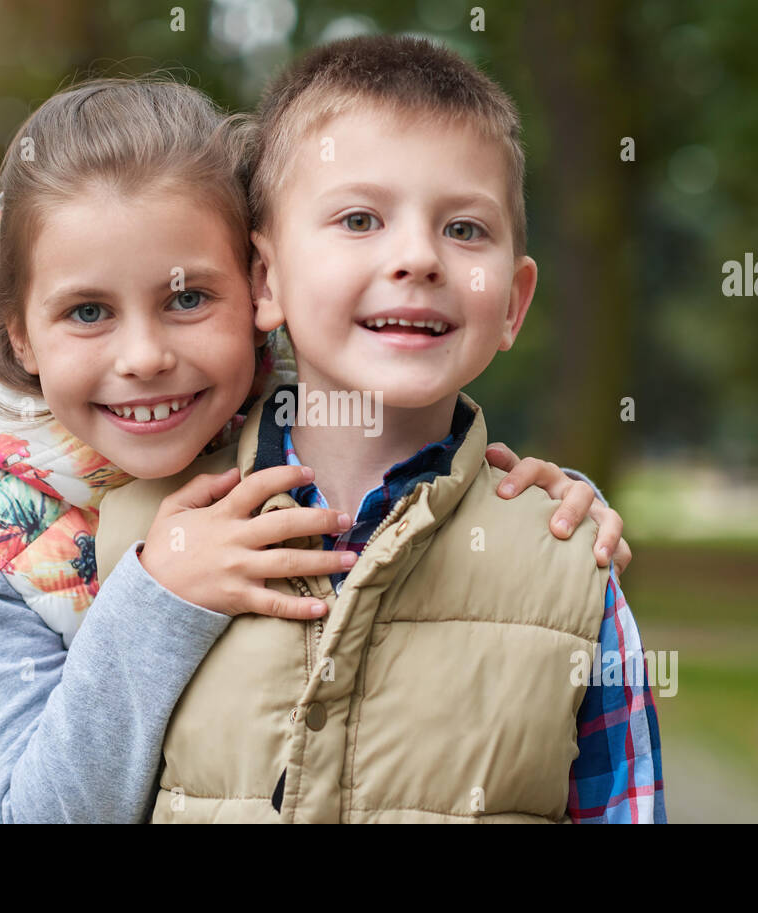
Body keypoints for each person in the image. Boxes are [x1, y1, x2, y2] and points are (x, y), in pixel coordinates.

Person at [0, 75, 630, 823]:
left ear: (258, 288)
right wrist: (160, 593)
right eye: (87, 310)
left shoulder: (279, 408)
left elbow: (399, 389)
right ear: (20, 333)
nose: (143, 356)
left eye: (187, 299)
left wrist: (542, 506)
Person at [94, 36, 664, 823]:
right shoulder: (137, 534)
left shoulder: (572, 565)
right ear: (266, 279)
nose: (418, 257)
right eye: (360, 218)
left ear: (512, 303)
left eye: (465, 229)